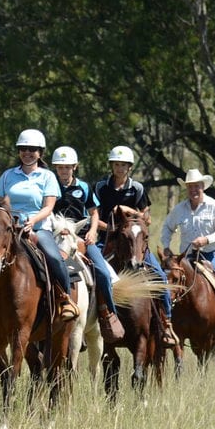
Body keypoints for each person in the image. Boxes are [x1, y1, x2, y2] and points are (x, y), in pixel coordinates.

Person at [0, 129, 80, 324]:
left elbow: (49, 207)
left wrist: (33, 221)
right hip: (8, 229)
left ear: (40, 152)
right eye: (23, 149)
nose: (27, 153)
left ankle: (65, 300)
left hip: (38, 227)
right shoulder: (7, 175)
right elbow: (0, 205)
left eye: (32, 149)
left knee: (54, 257)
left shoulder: (47, 177)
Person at [88, 145, 177, 347]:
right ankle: (89, 321)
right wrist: (115, 229)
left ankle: (167, 322)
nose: (120, 168)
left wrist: (127, 211)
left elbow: (147, 219)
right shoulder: (100, 187)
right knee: (91, 272)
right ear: (112, 166)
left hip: (133, 241)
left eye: (124, 165)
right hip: (106, 238)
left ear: (129, 167)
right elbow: (93, 216)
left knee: (161, 276)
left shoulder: (137, 188)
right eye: (117, 164)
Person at [160, 169, 215, 344]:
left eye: (197, 186)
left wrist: (207, 239)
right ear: (187, 188)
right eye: (190, 186)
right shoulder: (179, 209)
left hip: (210, 256)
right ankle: (163, 323)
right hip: (185, 259)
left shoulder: (214, 206)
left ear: (203, 187)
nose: (193, 190)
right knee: (165, 283)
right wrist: (167, 246)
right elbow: (167, 227)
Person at [49, 146, 125, 343]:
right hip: (55, 236)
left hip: (81, 237)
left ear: (75, 167)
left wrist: (92, 232)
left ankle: (108, 314)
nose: (64, 171)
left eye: (67, 167)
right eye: (60, 168)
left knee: (102, 271)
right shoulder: (50, 186)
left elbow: (94, 213)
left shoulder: (83, 187)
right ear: (55, 168)